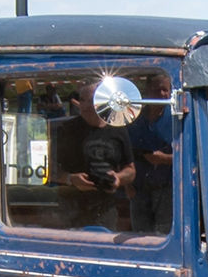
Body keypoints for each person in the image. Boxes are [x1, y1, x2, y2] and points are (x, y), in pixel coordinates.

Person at [48, 82, 134, 230]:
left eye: (92, 100)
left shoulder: (118, 130)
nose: (86, 105)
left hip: (105, 208)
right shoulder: (67, 130)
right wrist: (70, 179)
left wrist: (118, 178)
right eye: (83, 100)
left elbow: (131, 170)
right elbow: (48, 169)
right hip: (71, 208)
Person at [127, 74, 174, 234]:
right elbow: (124, 153)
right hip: (138, 190)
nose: (161, 94)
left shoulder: (178, 118)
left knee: (163, 233)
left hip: (167, 190)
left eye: (165, 90)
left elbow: (191, 157)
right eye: (156, 90)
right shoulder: (134, 118)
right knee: (140, 235)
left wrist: (164, 159)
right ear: (146, 91)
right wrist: (127, 185)